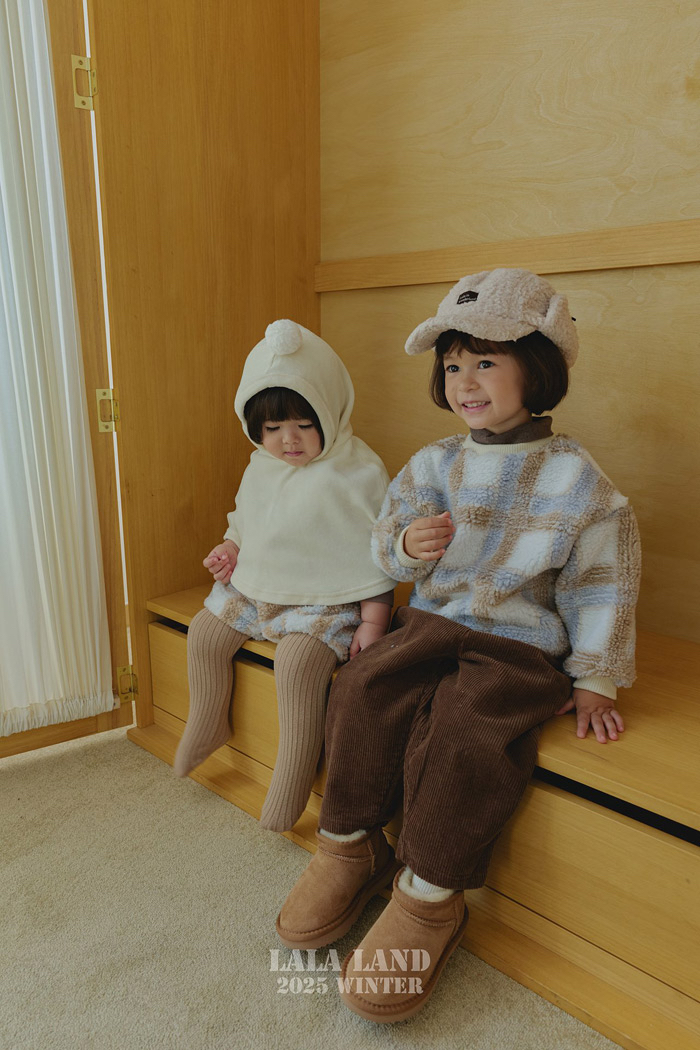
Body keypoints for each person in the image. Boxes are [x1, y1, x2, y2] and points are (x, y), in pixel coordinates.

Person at [276, 269, 641, 1021]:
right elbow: (386, 540)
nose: (465, 382)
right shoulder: (435, 463)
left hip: (518, 646)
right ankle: (350, 843)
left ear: (536, 369)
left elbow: (602, 584)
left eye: (485, 362)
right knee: (364, 685)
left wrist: (595, 678)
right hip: (432, 624)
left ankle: (429, 894)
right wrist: (407, 545)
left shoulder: (579, 483)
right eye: (451, 366)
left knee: (465, 729)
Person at [174, 319, 395, 832]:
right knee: (205, 631)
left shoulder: (359, 472)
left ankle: (293, 773)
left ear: (331, 413)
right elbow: (247, 522)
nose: (286, 440)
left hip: (327, 603)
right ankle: (208, 720)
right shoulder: (262, 466)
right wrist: (230, 549)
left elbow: (378, 554)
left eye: (303, 424)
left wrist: (374, 623)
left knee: (296, 664)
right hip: (259, 590)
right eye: (271, 429)